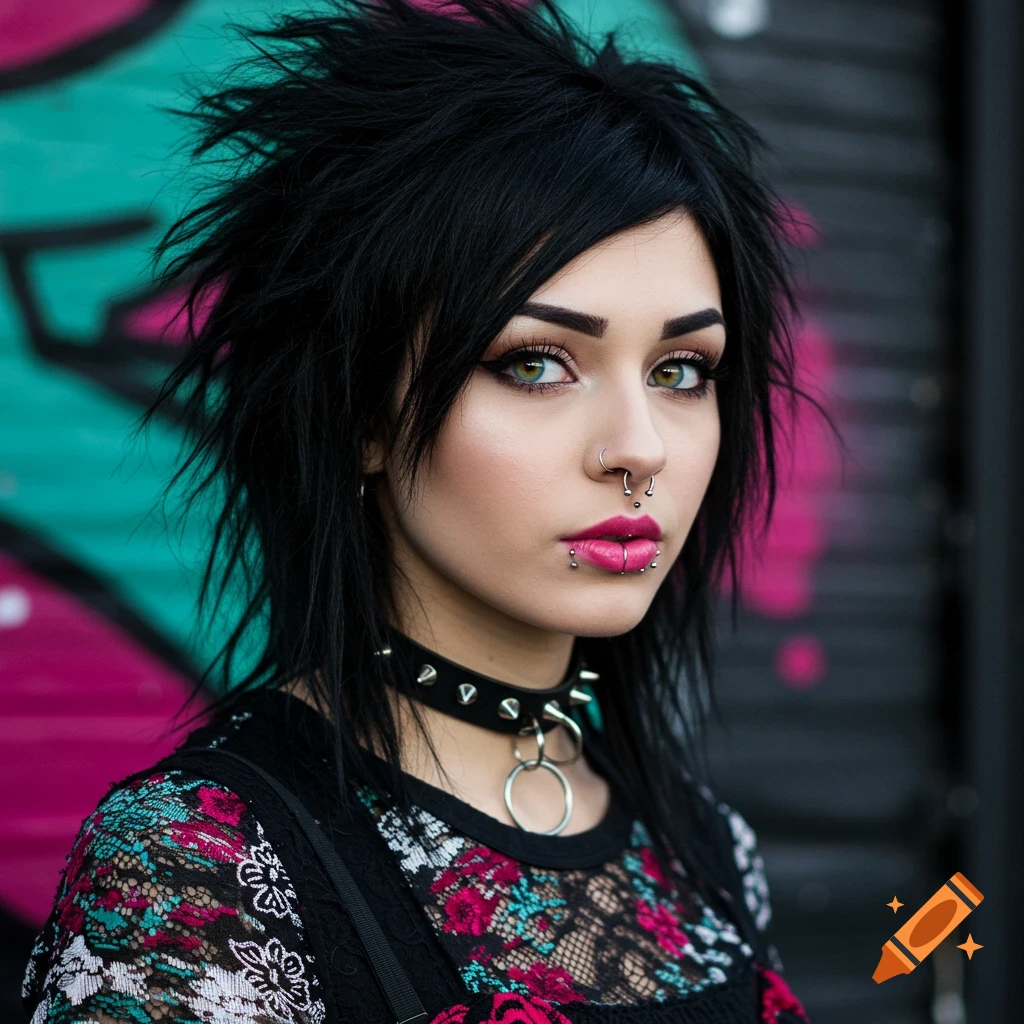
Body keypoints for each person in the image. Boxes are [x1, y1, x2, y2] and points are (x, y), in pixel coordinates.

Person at [21, 1, 814, 1021]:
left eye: (680, 369)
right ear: (364, 413)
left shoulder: (707, 852)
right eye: (535, 362)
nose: (640, 447)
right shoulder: (201, 867)